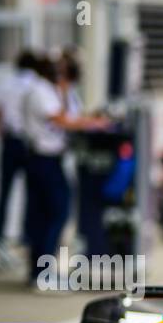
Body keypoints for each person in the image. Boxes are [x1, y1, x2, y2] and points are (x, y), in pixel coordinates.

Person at [22, 53, 108, 289]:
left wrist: (92, 118)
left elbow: (74, 115)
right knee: (56, 213)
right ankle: (42, 271)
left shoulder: (57, 90)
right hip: (42, 159)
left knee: (49, 214)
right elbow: (61, 120)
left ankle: (40, 270)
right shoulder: (41, 90)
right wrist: (93, 123)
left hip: (52, 159)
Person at [0, 49, 38, 246]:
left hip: (10, 140)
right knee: (31, 191)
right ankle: (27, 235)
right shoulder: (36, 85)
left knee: (4, 190)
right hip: (29, 142)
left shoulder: (6, 83)